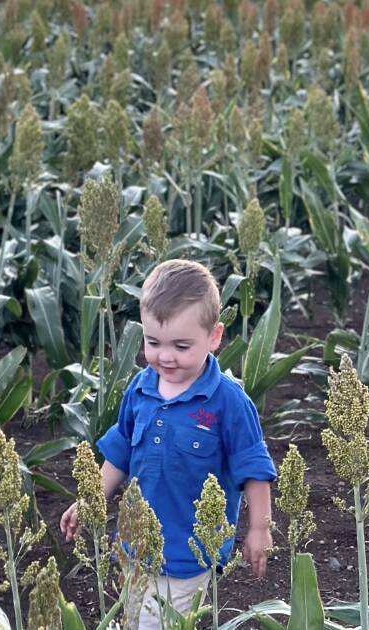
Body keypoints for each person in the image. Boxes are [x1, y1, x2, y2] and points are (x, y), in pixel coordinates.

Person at [60, 258, 277, 629]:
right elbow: (119, 454)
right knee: (134, 618)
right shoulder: (141, 389)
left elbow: (254, 469)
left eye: (181, 345)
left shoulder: (228, 402)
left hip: (187, 553)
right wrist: (90, 500)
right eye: (153, 342)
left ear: (214, 337)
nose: (165, 356)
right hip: (133, 544)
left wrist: (260, 528)